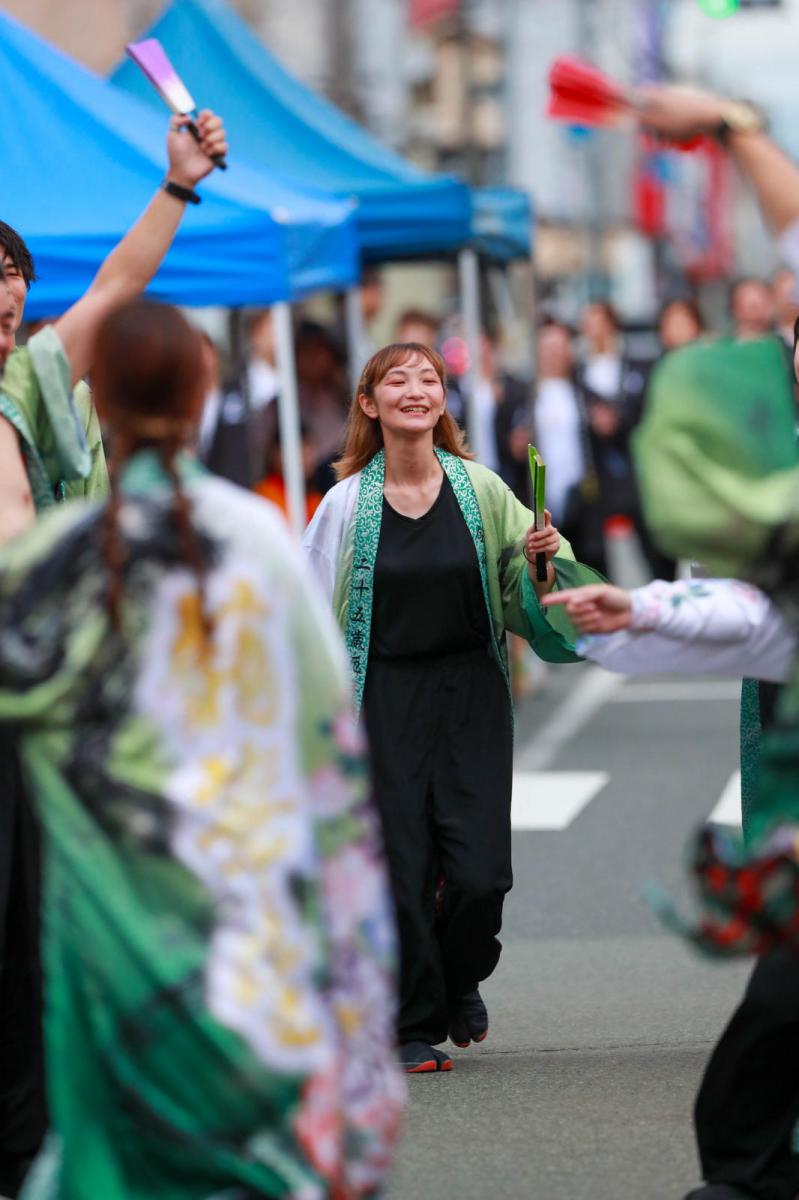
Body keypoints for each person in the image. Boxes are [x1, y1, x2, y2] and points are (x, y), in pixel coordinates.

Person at [0, 298, 404, 1200]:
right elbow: (330, 751)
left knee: (110, 1160)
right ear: (202, 392)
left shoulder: (58, 559)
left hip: (106, 930)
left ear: (94, 409)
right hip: (243, 905)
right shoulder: (253, 539)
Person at [0, 109, 228, 1200]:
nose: (4, 309)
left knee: (44, 929)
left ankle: (33, 1136)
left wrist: (176, 188)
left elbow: (107, 293)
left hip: (47, 702)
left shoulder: (30, 387)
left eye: (9, 290)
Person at [302, 341, 604, 1073]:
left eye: (429, 378)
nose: (416, 389)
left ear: (443, 401)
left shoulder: (482, 489)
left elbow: (537, 586)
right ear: (369, 405)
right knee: (400, 867)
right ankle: (410, 1021)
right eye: (396, 379)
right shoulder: (344, 503)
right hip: (382, 695)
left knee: (478, 876)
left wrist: (539, 562)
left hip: (470, 691)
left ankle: (460, 971)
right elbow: (304, 611)